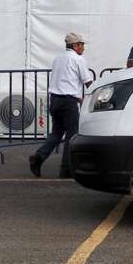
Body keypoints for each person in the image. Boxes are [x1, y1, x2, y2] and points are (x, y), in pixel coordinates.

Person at [30, 32, 91, 179]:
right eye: (82, 44)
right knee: (72, 135)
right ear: (75, 45)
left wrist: (78, 97)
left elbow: (65, 80)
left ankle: (39, 157)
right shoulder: (78, 59)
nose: (83, 47)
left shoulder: (58, 58)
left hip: (55, 99)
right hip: (68, 102)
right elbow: (87, 81)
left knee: (57, 133)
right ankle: (66, 169)